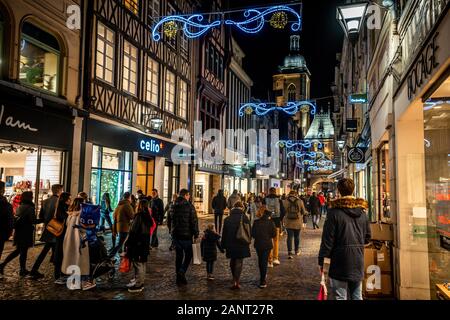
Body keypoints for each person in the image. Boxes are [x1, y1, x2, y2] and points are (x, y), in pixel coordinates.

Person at [318, 178, 371, 300]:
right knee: (357, 296)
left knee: (340, 296)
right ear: (353, 190)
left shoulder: (334, 213)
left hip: (339, 260)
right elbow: (368, 238)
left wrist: (322, 260)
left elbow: (327, 240)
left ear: (339, 191)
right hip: (357, 259)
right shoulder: (362, 213)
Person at [29, 184, 63, 279]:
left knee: (46, 251)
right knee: (57, 253)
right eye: (62, 190)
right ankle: (57, 275)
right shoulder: (59, 202)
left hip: (48, 229)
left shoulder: (45, 202)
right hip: (57, 230)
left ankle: (34, 270)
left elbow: (41, 217)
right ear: (59, 191)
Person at [0, 191, 36, 277]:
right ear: (30, 198)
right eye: (32, 196)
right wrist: (43, 220)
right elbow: (33, 220)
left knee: (21, 251)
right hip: (26, 232)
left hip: (19, 232)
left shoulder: (20, 206)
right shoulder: (30, 207)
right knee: (20, 251)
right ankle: (3, 265)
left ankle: (22, 269)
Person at [61, 197, 93, 290]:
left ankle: (74, 281)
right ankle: (83, 283)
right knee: (81, 260)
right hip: (79, 239)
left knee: (72, 258)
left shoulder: (71, 215)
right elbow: (83, 228)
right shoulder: (81, 215)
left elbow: (67, 225)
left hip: (69, 239)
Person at [168, 189, 199, 285]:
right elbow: (194, 221)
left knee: (179, 256)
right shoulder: (190, 207)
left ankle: (179, 278)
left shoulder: (173, 206)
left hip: (176, 235)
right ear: (185, 195)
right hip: (186, 235)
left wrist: (171, 231)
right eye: (188, 195)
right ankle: (181, 272)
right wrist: (196, 233)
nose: (189, 197)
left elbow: (169, 221)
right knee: (188, 255)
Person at [124, 199, 153, 293]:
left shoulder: (139, 216)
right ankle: (140, 282)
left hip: (138, 243)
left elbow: (133, 231)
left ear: (140, 205)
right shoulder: (147, 217)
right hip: (144, 243)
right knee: (142, 263)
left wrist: (128, 243)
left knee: (138, 264)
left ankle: (138, 285)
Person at [221, 201, 251, 290]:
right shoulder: (245, 218)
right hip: (242, 242)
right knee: (239, 261)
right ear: (242, 208)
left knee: (233, 260)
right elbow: (249, 232)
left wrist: (223, 245)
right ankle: (236, 281)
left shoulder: (227, 219)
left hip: (230, 243)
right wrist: (249, 241)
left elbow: (224, 234)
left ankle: (234, 278)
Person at [251, 203, 276, 289]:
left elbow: (253, 234)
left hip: (258, 244)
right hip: (267, 244)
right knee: (264, 261)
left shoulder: (256, 222)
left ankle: (263, 276)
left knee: (260, 260)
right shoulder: (271, 222)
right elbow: (274, 234)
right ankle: (263, 280)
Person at [54, 192, 72, 284]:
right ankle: (58, 276)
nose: (70, 200)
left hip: (63, 233)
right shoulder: (61, 207)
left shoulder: (64, 207)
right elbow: (64, 217)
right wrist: (70, 214)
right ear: (65, 200)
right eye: (69, 199)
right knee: (59, 253)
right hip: (60, 233)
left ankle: (62, 273)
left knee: (62, 253)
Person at [282, 191, 307, 258]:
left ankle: (289, 252)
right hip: (298, 221)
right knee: (297, 237)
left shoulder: (285, 201)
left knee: (289, 237)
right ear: (295, 194)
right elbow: (304, 212)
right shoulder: (300, 201)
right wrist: (306, 213)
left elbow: (283, 211)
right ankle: (296, 251)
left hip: (288, 221)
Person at [110, 192, 135, 257]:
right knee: (120, 243)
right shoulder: (127, 205)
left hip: (119, 226)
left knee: (122, 242)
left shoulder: (119, 205)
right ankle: (110, 255)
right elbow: (132, 216)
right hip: (124, 227)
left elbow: (114, 216)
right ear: (129, 197)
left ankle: (120, 252)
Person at [265, 187, 281, 267]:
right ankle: (275, 258)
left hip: (267, 222)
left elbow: (262, 210)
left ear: (269, 191)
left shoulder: (265, 199)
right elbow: (283, 211)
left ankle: (269, 261)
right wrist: (280, 218)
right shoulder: (279, 199)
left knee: (268, 241)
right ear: (275, 192)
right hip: (276, 222)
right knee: (276, 241)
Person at [0, 181, 14, 264]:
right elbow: (10, 221)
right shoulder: (6, 205)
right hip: (1, 233)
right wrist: (9, 232)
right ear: (2, 190)